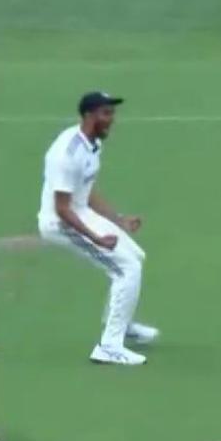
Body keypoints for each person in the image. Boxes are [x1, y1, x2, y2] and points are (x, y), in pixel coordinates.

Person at [37, 91, 158, 366]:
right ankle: (109, 346)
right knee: (127, 269)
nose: (111, 119)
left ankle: (120, 323)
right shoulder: (67, 154)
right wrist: (97, 238)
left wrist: (119, 220)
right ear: (89, 116)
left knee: (135, 257)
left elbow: (87, 192)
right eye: (106, 113)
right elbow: (62, 208)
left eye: (112, 113)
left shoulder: (92, 145)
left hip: (79, 213)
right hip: (61, 224)